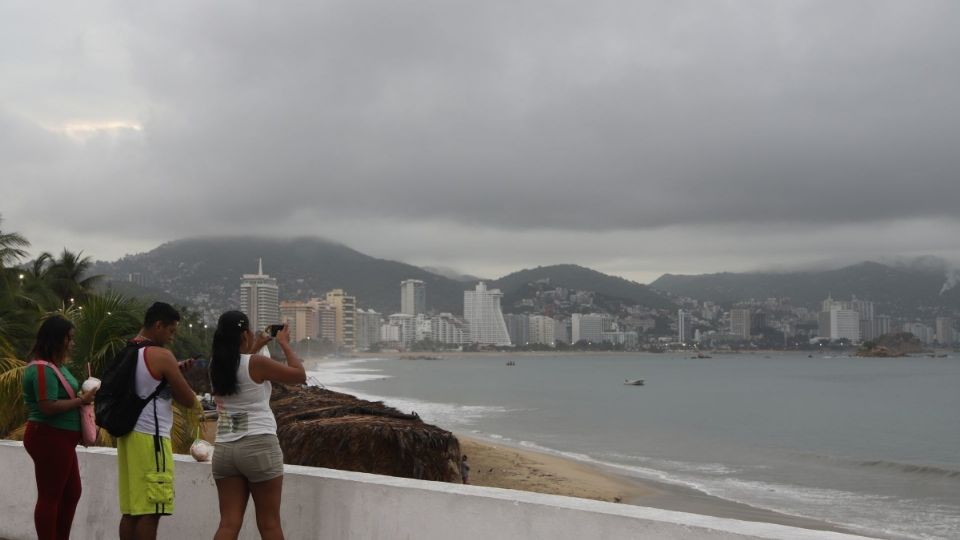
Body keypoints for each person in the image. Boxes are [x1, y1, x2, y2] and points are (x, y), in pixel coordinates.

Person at [209, 311, 306, 540]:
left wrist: (257, 344)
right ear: (245, 334)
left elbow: (239, 367)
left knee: (228, 524)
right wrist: (283, 344)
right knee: (269, 524)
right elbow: (299, 375)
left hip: (224, 450)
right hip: (258, 446)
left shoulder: (216, 366)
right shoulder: (258, 363)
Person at [117, 302, 198, 540]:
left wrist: (171, 373)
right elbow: (187, 399)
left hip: (128, 434)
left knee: (131, 510)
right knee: (152, 510)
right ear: (158, 325)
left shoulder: (129, 350)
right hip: (151, 438)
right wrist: (176, 373)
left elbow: (145, 384)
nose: (172, 338)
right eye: (171, 331)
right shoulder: (161, 355)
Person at [22, 315, 97, 540]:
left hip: (61, 439)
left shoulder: (56, 367)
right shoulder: (43, 369)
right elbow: (47, 406)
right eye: (69, 338)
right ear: (57, 339)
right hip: (48, 437)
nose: (72, 343)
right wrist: (82, 400)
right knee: (50, 495)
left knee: (72, 493)